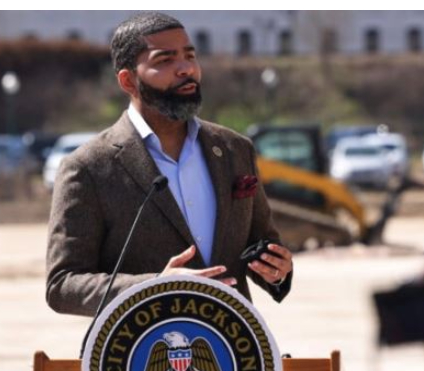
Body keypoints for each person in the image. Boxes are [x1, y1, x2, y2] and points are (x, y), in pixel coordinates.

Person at [46, 12, 292, 317]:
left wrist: (276, 269)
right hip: (139, 353)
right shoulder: (88, 167)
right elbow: (62, 284)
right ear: (128, 81)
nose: (185, 69)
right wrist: (155, 288)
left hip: (233, 348)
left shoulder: (235, 150)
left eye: (190, 56)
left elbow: (261, 244)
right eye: (164, 61)